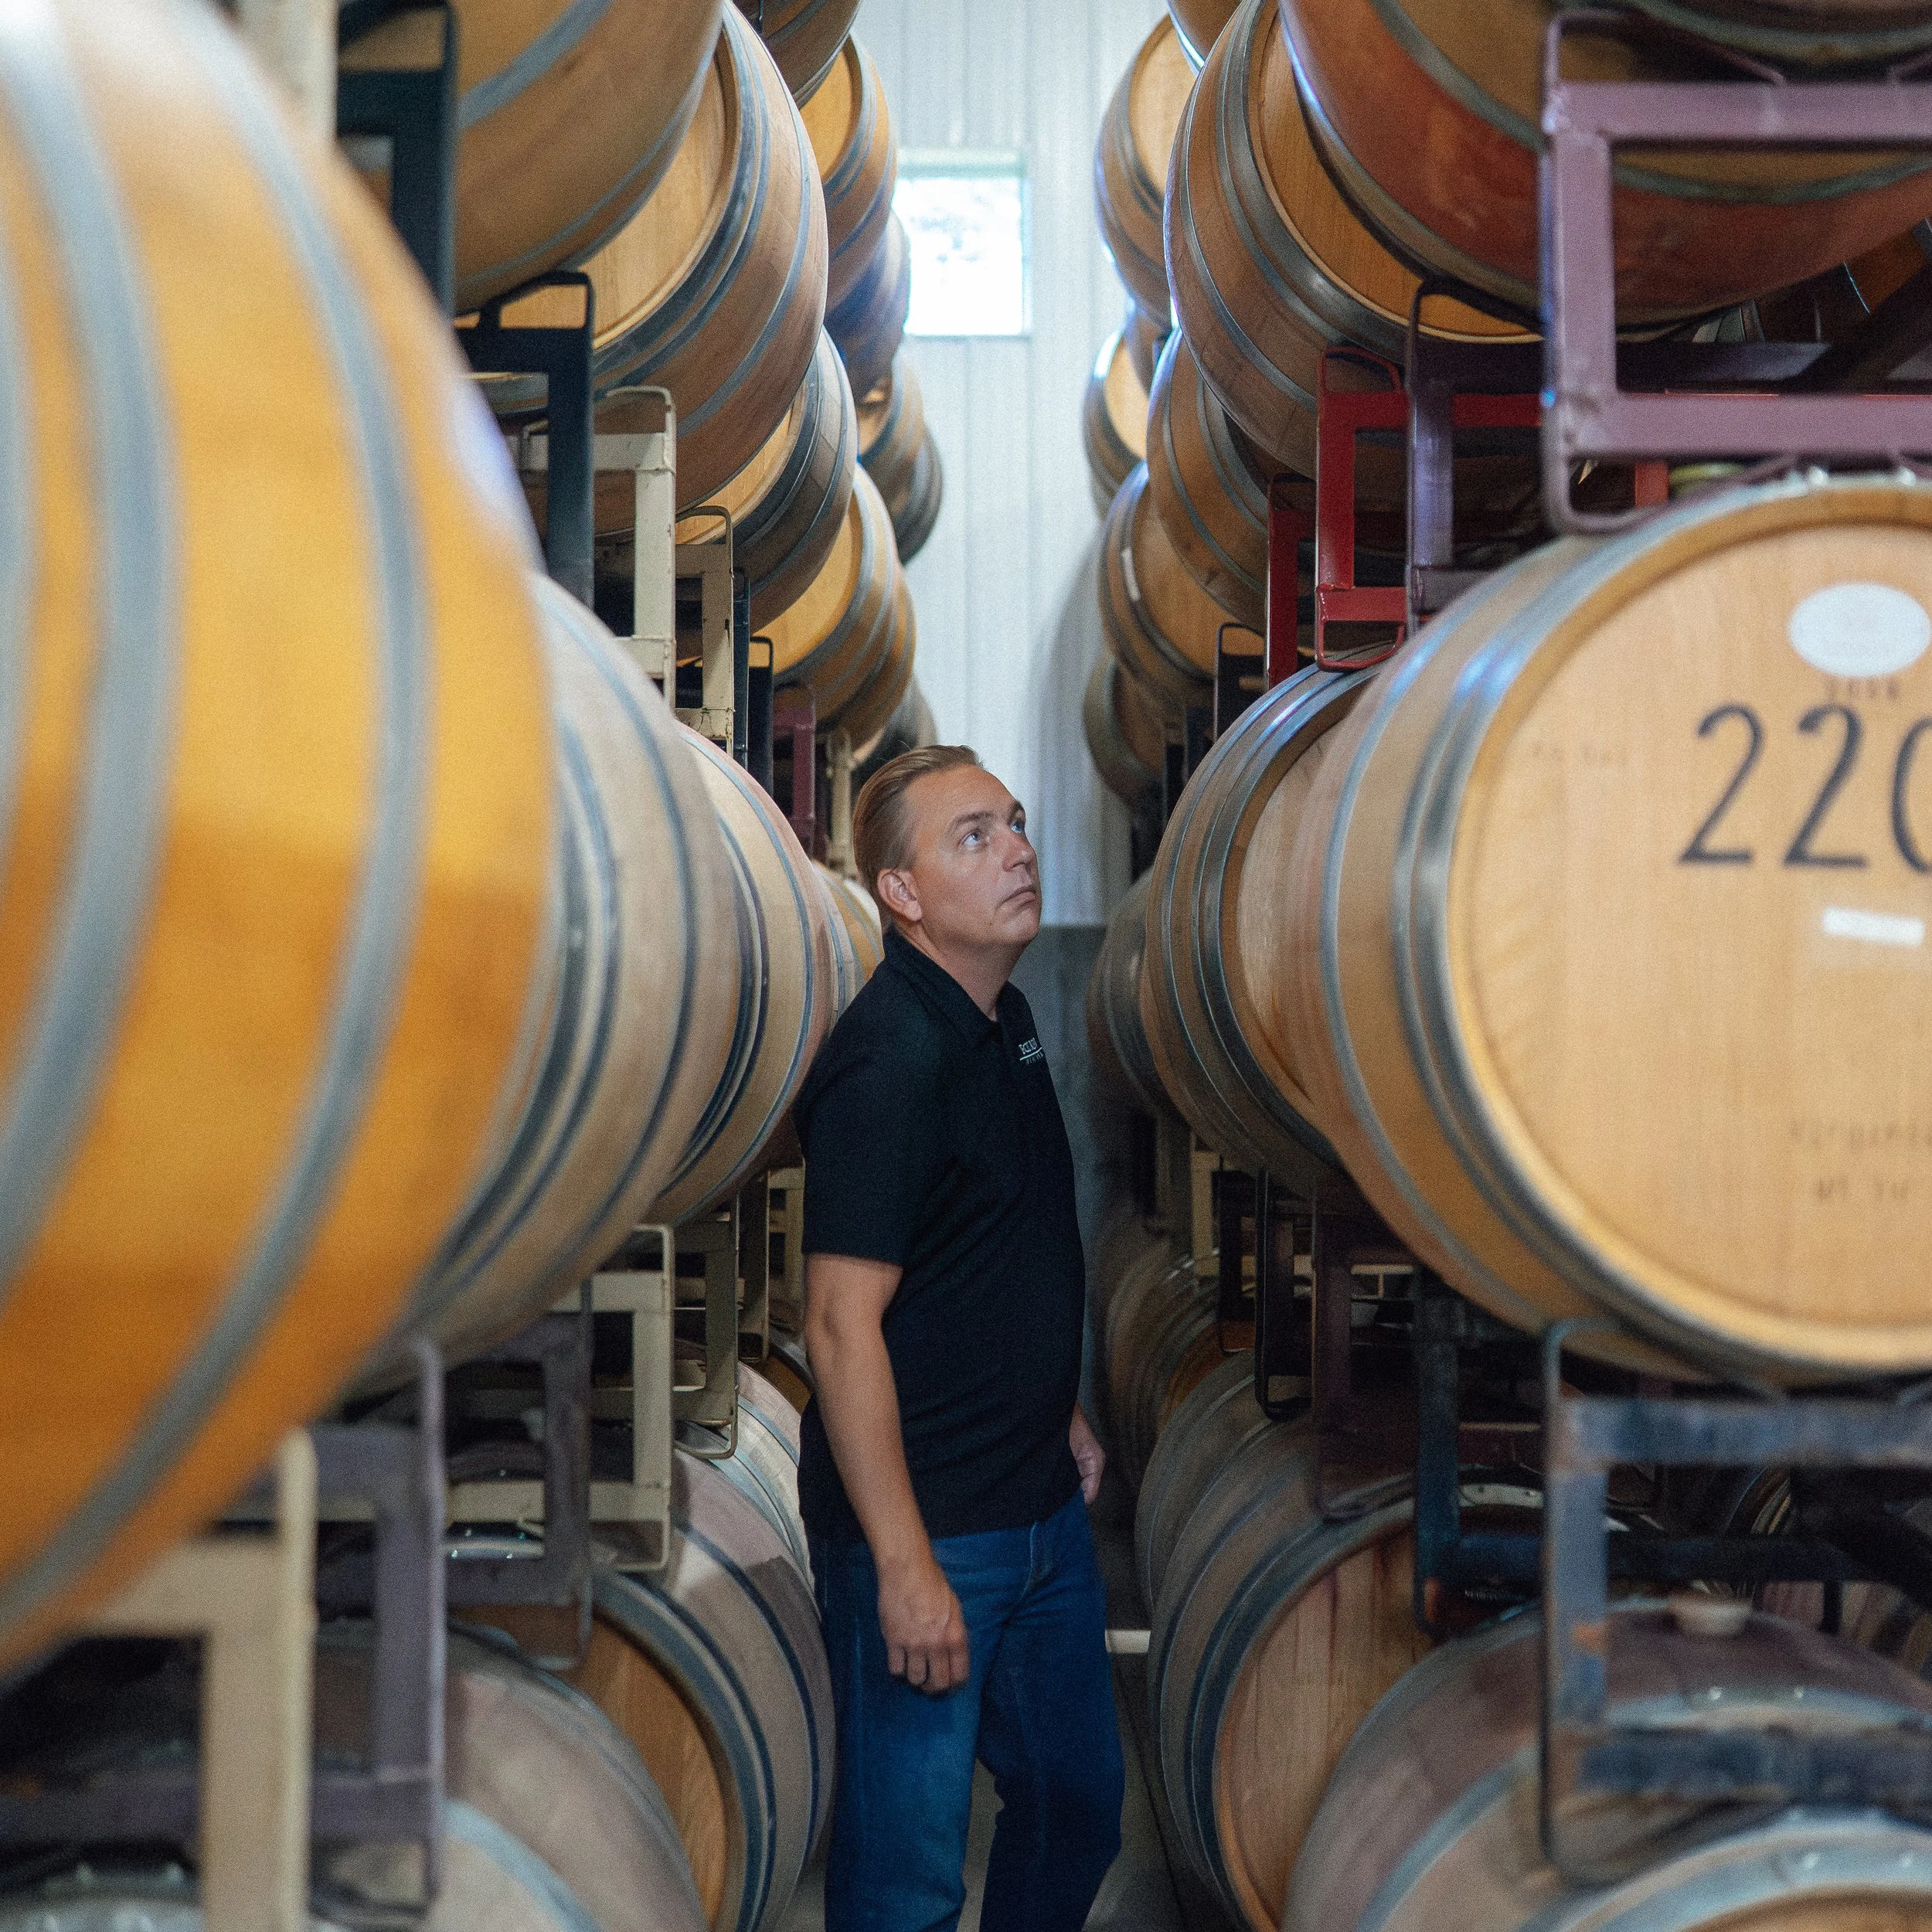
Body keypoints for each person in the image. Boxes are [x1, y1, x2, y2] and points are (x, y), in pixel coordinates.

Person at [794, 744, 1124, 1932]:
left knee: (1078, 1804)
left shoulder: (1009, 1023)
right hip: (933, 1535)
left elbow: (1001, 1249)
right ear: (904, 893)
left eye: (1018, 824)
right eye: (973, 837)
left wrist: (1061, 1403)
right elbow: (839, 1327)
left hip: (1039, 1517)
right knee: (906, 1881)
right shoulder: (892, 1058)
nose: (1020, 850)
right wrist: (902, 1566)